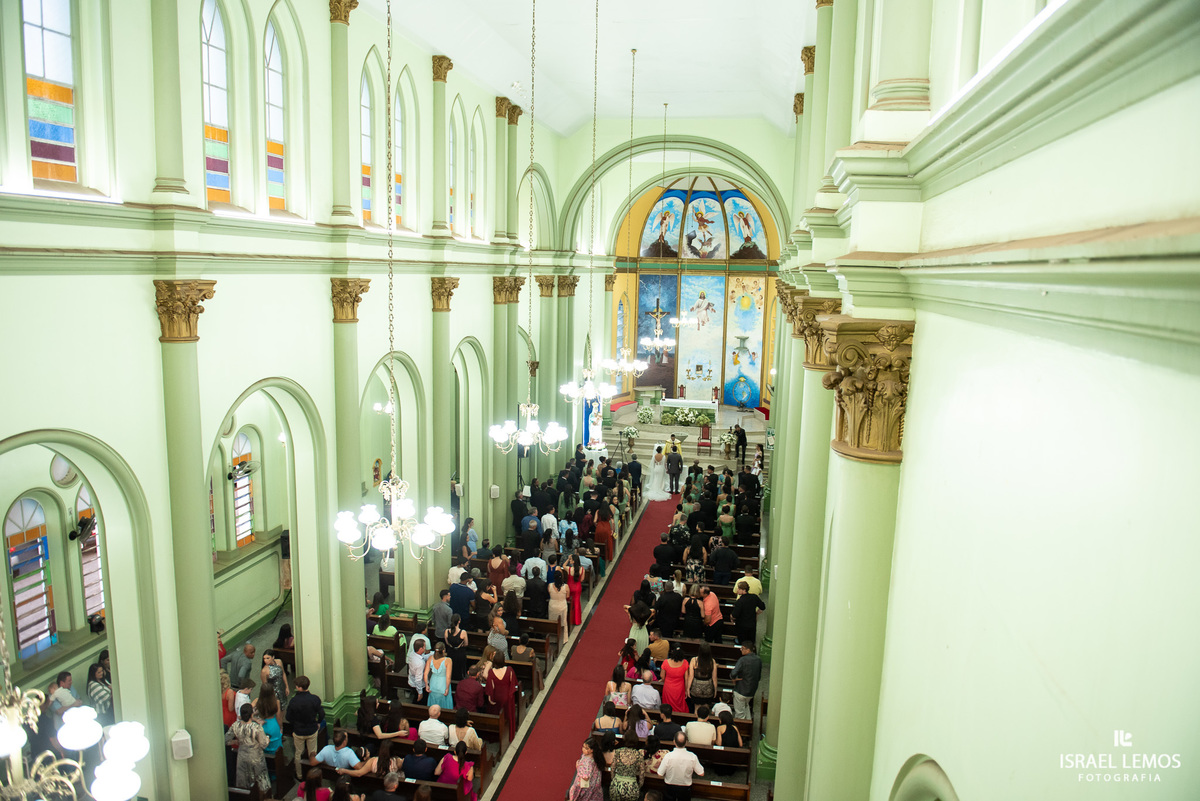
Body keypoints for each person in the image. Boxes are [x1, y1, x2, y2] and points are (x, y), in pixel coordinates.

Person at [225, 703, 270, 792]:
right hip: (256, 757)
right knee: (260, 781)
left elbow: (225, 740)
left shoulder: (236, 725)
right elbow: (264, 744)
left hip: (242, 757)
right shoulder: (257, 728)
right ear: (251, 715)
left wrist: (234, 742)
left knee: (243, 781)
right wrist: (268, 738)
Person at [286, 675, 325, 778]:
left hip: (298, 731)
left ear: (299, 687)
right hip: (312, 730)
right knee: (313, 753)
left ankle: (299, 775)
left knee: (298, 753)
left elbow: (288, 717)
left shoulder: (294, 701)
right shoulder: (315, 699)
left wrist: (295, 723)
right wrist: (318, 722)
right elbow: (321, 714)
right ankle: (313, 774)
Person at [657, 731, 705, 800]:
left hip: (670, 787)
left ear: (674, 742)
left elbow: (660, 774)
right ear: (686, 742)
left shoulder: (668, 756)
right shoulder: (692, 756)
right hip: (685, 788)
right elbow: (701, 773)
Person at [485, 652, 519, 740]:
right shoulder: (509, 670)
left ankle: (498, 737)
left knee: (498, 716)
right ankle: (510, 735)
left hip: (497, 698)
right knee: (509, 716)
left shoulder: (491, 672)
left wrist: (491, 698)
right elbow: (513, 683)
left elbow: (490, 687)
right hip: (507, 697)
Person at [608, 729, 647, 801]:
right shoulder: (639, 755)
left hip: (617, 785)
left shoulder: (618, 751)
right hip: (631, 787)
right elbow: (642, 773)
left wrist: (614, 780)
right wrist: (638, 786)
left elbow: (612, 768)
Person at [730, 640, 762, 720]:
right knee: (746, 707)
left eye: (743, 648)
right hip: (752, 690)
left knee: (739, 714)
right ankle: (748, 725)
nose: (741, 649)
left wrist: (734, 678)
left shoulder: (742, 660)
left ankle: (741, 729)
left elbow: (733, 673)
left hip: (741, 690)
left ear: (748, 650)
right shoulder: (758, 660)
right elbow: (759, 677)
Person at [568, 736, 605, 801]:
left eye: (586, 748)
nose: (583, 749)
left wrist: (578, 767)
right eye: (583, 746)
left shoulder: (588, 762)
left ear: (591, 750)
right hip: (595, 784)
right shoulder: (595, 756)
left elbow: (586, 777)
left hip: (587, 787)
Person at [687, 642, 718, 710]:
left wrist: (688, 688)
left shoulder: (694, 660)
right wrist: (715, 690)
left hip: (696, 688)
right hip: (708, 688)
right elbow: (714, 678)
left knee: (696, 708)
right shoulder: (712, 662)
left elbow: (690, 677)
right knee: (706, 708)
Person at [660, 646, 689, 714]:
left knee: (667, 704)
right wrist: (686, 690)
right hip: (680, 688)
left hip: (668, 687)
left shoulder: (666, 662)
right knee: (680, 704)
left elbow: (662, 676)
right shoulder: (685, 663)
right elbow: (686, 678)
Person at [424, 642, 454, 709]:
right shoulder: (448, 660)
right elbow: (448, 676)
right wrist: (447, 688)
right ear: (443, 650)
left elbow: (425, 673)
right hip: (443, 684)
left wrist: (426, 685)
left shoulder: (430, 658)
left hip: (433, 683)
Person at [260, 650, 289, 716]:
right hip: (273, 692)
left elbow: (283, 673)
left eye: (268, 658)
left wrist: (287, 686)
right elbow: (265, 685)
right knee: (277, 712)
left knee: (283, 708)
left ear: (273, 657)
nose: (265, 660)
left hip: (281, 688)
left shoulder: (279, 662)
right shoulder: (264, 670)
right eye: (264, 658)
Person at [565, 561, 585, 627]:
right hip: (577, 587)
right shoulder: (582, 569)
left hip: (570, 587)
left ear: (573, 561)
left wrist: (567, 559)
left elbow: (563, 565)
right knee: (576, 603)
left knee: (570, 603)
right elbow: (582, 579)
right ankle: (577, 620)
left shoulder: (569, 569)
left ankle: (569, 620)